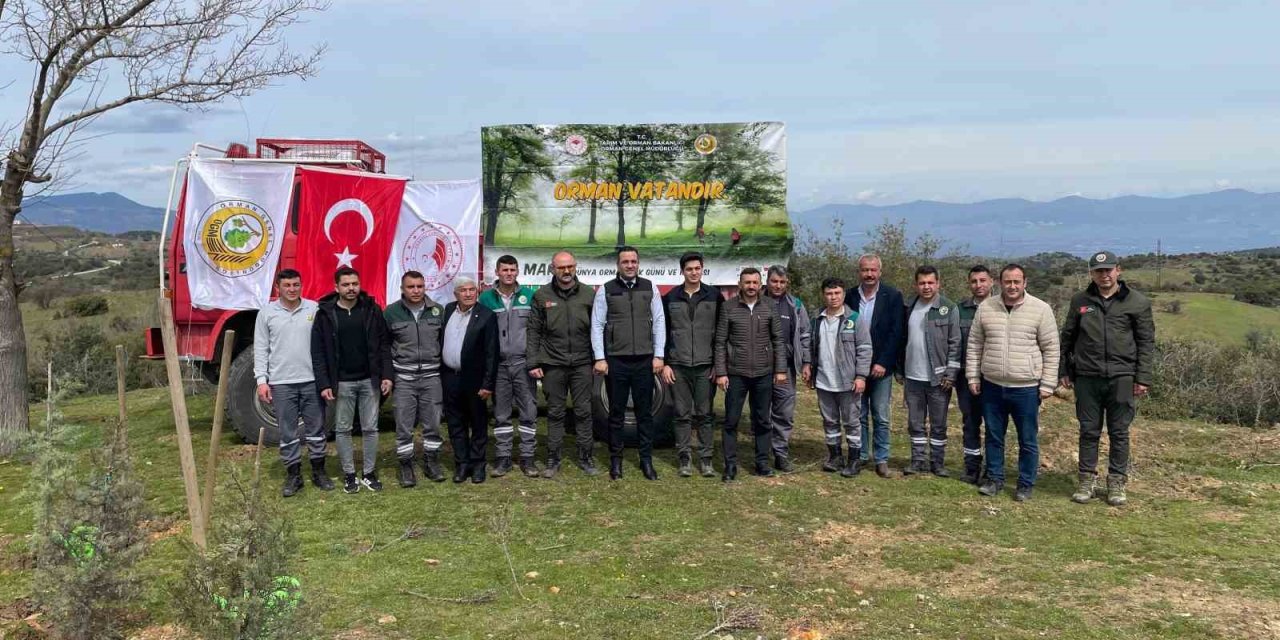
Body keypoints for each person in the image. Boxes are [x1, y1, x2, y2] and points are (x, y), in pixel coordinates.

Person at [1059, 251, 1155, 507]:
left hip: (1123, 378)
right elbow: (1067, 338)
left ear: (1118, 270)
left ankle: (1116, 482)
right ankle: (1086, 480)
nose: (1104, 275)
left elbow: (1146, 343)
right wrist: (1064, 370)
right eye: (1099, 271)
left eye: (1109, 270)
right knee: (1088, 430)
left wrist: (1142, 377)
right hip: (1087, 378)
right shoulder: (1080, 300)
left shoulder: (1137, 302)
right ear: (1091, 273)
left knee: (1119, 432)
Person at [966, 263, 1060, 502]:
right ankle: (995, 479)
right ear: (1000, 283)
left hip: (1026, 388)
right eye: (1008, 281)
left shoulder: (1040, 309)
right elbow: (975, 345)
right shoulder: (987, 308)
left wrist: (1048, 383)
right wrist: (973, 376)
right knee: (994, 436)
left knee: (1027, 439)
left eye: (1017, 281)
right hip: (992, 385)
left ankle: (1025, 484)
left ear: (1025, 283)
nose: (1012, 286)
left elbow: (1051, 348)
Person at [311, 266, 393, 494]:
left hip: (370, 381)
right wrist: (324, 383)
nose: (351, 288)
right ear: (336, 287)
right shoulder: (325, 314)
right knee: (343, 429)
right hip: (341, 383)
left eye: (354, 284)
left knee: (370, 428)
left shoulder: (372, 310)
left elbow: (384, 345)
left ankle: (368, 473)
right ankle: (349, 475)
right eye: (346, 284)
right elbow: (317, 352)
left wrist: (387, 375)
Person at [254, 269, 333, 496]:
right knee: (288, 431)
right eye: (287, 285)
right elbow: (261, 349)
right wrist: (262, 380)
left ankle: (319, 472)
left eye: (296, 285)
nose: (292, 289)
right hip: (281, 383)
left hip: (311, 381)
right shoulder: (267, 314)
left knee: (316, 429)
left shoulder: (314, 309)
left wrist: (325, 378)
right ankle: (294, 475)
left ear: (301, 285)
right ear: (278, 287)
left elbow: (325, 345)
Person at [591, 246, 666, 480]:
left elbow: (659, 322)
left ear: (638, 263)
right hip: (616, 362)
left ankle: (646, 461)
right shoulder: (606, 289)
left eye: (634, 261)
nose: (630, 265)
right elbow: (597, 325)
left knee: (645, 414)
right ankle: (616, 461)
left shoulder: (649, 287)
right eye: (625, 262)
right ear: (618, 265)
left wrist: (659, 355)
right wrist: (600, 357)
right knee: (616, 413)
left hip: (644, 361)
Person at [527, 251, 598, 478]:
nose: (566, 272)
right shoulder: (541, 295)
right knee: (555, 413)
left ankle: (586, 458)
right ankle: (553, 459)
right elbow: (533, 331)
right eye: (561, 268)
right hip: (552, 364)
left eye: (570, 267)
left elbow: (598, 329)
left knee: (584, 412)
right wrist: (533, 361)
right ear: (552, 269)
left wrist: (599, 359)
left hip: (582, 363)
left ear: (575, 267)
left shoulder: (589, 294)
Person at [714, 268, 787, 481]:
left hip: (764, 373)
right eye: (747, 282)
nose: (751, 286)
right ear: (740, 284)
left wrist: (780, 369)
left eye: (755, 282)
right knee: (731, 421)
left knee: (763, 420)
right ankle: (730, 465)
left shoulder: (770, 306)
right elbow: (720, 342)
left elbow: (778, 340)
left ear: (761, 284)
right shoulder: (728, 307)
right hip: (736, 373)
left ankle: (762, 463)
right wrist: (721, 372)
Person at [478, 255, 541, 478]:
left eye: (513, 270)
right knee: (501, 414)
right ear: (497, 272)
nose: (509, 274)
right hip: (499, 366)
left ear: (518, 272)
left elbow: (536, 332)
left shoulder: (529, 296)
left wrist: (535, 360)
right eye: (504, 270)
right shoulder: (486, 299)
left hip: (523, 363)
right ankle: (503, 458)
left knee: (529, 412)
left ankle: (527, 458)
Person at [383, 270, 446, 488]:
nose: (416, 290)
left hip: (431, 378)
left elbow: (445, 343)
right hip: (404, 378)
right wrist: (388, 376)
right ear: (403, 289)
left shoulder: (438, 311)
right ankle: (406, 465)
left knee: (433, 424)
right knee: (404, 425)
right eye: (411, 287)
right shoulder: (391, 313)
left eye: (420, 286)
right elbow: (384, 347)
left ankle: (431, 461)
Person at [661, 252, 721, 478]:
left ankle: (706, 460)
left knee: (705, 414)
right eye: (689, 269)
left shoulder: (714, 296)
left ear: (703, 269)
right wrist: (666, 363)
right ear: (682, 271)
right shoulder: (671, 297)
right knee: (682, 414)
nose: (694, 272)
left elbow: (721, 334)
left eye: (697, 268)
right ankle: (684, 458)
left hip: (706, 366)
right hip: (678, 366)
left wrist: (719, 365)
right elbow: (663, 333)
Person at [898, 266, 961, 477]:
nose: (926, 287)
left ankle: (937, 462)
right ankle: (917, 460)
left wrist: (950, 374)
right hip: (913, 377)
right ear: (916, 285)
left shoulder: (948, 308)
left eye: (930, 283)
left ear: (938, 284)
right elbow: (901, 340)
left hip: (938, 378)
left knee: (938, 424)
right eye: (922, 283)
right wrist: (900, 370)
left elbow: (955, 343)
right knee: (915, 423)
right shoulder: (908, 306)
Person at [807, 277, 872, 477]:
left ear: (843, 294)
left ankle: (854, 459)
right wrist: (808, 365)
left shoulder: (854, 318)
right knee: (829, 421)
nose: (833, 297)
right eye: (829, 293)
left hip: (848, 382)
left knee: (852, 422)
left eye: (837, 293)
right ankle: (835, 456)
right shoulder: (816, 318)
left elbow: (865, 348)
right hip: (824, 381)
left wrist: (861, 375)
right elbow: (810, 345)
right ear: (823, 295)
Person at [441, 276, 499, 484]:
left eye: (472, 290)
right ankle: (462, 464)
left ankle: (478, 464)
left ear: (477, 291)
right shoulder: (447, 311)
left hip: (475, 380)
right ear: (455, 293)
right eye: (463, 290)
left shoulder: (486, 315)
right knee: (455, 423)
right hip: (450, 378)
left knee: (478, 423)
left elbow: (492, 353)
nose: (468, 294)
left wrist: (488, 384)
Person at [854, 254, 905, 478]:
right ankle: (861, 456)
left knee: (881, 415)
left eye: (873, 270)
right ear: (859, 272)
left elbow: (897, 333)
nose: (869, 274)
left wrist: (884, 362)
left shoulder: (893, 296)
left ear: (880, 272)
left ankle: (882, 459)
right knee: (859, 414)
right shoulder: (848, 296)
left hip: (881, 368)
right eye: (865, 270)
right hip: (857, 368)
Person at [764, 265, 811, 472]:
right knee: (762, 412)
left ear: (787, 283)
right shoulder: (757, 301)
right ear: (767, 281)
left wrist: (807, 362)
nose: (778, 285)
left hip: (787, 369)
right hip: (761, 368)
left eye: (782, 282)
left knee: (784, 413)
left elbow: (805, 335)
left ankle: (780, 453)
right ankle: (762, 453)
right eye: (774, 281)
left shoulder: (796, 305)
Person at [956, 265, 995, 484]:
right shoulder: (960, 309)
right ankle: (971, 467)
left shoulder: (1000, 307)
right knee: (970, 422)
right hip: (966, 376)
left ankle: (991, 468)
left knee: (993, 424)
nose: (978, 285)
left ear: (992, 282)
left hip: (993, 376)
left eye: (982, 280)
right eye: (974, 281)